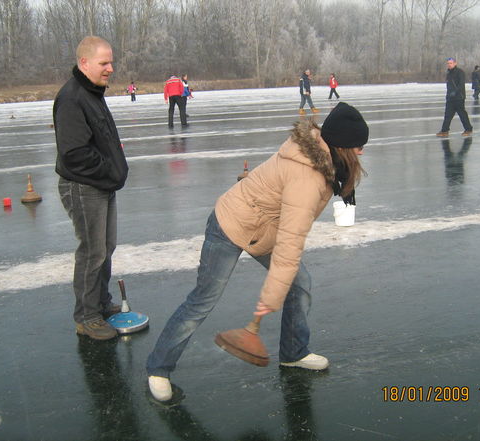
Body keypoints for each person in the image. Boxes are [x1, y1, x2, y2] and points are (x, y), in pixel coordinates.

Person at [146, 102, 369, 402]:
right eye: (358, 145)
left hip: (263, 229)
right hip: (229, 224)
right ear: (341, 145)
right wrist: (271, 296)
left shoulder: (323, 158)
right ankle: (158, 369)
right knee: (203, 300)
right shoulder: (307, 179)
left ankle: (293, 352)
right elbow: (290, 243)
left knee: (299, 284)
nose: (362, 152)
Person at [54, 36, 129, 340]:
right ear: (84, 63)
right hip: (84, 187)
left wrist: (113, 172)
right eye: (104, 63)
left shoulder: (92, 93)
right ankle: (86, 317)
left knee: (105, 248)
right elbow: (74, 153)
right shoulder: (72, 98)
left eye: (111, 61)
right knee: (92, 252)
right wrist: (110, 171)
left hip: (100, 185)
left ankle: (99, 303)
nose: (110, 68)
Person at [436, 57, 473, 137]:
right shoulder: (449, 73)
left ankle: (468, 129)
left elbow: (461, 84)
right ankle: (444, 130)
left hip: (459, 97)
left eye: (451, 63)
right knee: (447, 115)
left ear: (455, 63)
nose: (449, 65)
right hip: (450, 98)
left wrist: (455, 92)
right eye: (448, 63)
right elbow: (449, 85)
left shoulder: (460, 72)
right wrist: (448, 95)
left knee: (462, 114)